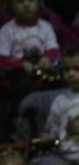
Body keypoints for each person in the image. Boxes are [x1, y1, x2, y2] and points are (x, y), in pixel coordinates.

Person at [0, 0, 60, 142]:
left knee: (61, 80)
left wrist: (47, 58)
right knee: (22, 85)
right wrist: (21, 64)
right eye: (20, 2)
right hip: (18, 71)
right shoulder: (7, 30)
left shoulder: (45, 27)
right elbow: (2, 58)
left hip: (42, 69)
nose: (26, 5)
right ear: (10, 6)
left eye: (31, 1)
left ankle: (56, 124)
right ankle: (21, 120)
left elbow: (54, 49)